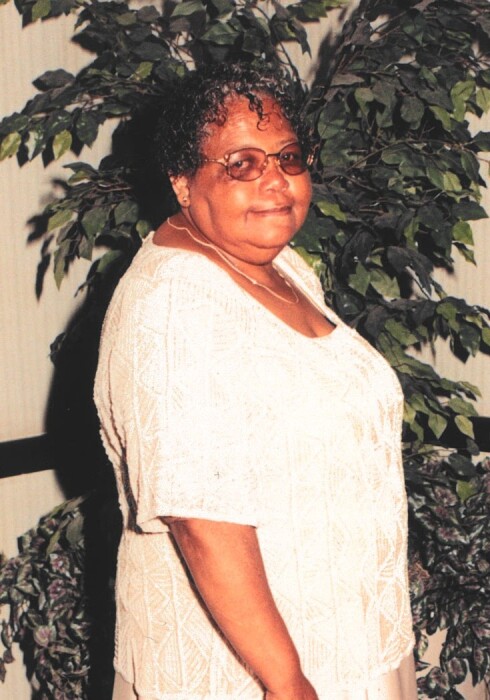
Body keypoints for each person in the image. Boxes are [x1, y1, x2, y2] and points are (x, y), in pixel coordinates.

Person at [94, 61, 417, 700]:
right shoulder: (173, 306)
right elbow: (202, 519)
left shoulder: (283, 267)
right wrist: (285, 681)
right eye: (241, 163)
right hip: (251, 670)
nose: (275, 180)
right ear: (183, 182)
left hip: (347, 638)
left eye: (288, 158)